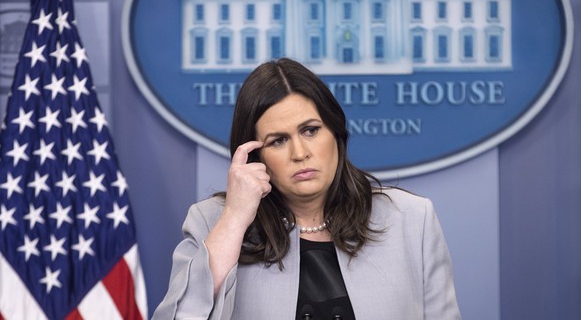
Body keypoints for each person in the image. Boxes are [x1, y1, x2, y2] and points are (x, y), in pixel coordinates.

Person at [152, 58, 461, 319]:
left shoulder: (411, 219)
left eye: (310, 131)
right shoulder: (213, 222)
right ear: (256, 156)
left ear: (336, 132)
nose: (299, 153)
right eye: (278, 140)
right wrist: (235, 218)